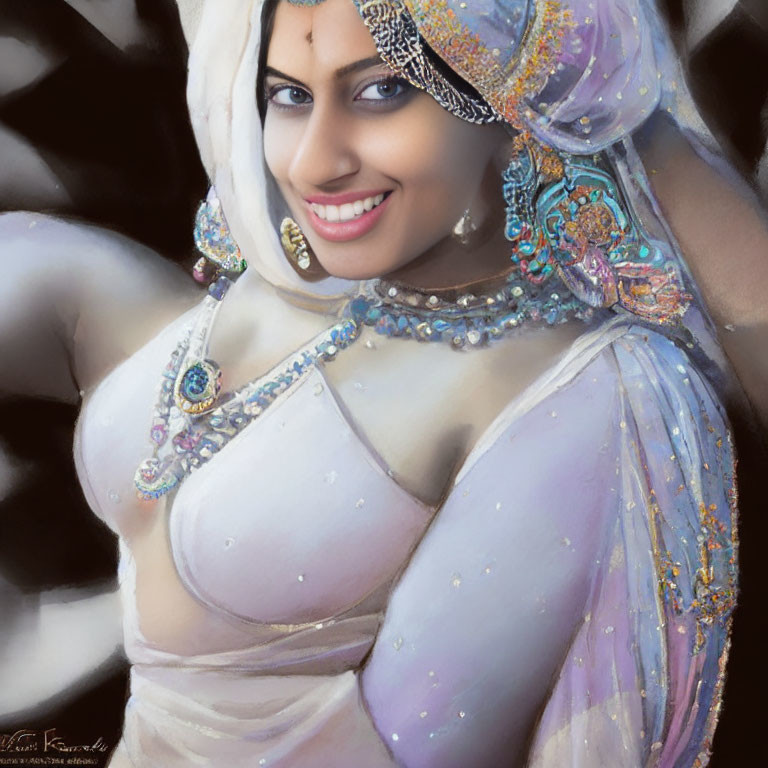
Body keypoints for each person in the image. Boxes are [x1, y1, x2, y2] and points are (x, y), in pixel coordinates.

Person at [1, 0, 765, 765]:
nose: (311, 163)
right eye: (288, 96)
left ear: (505, 102)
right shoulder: (291, 285)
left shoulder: (583, 394)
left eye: (377, 92)